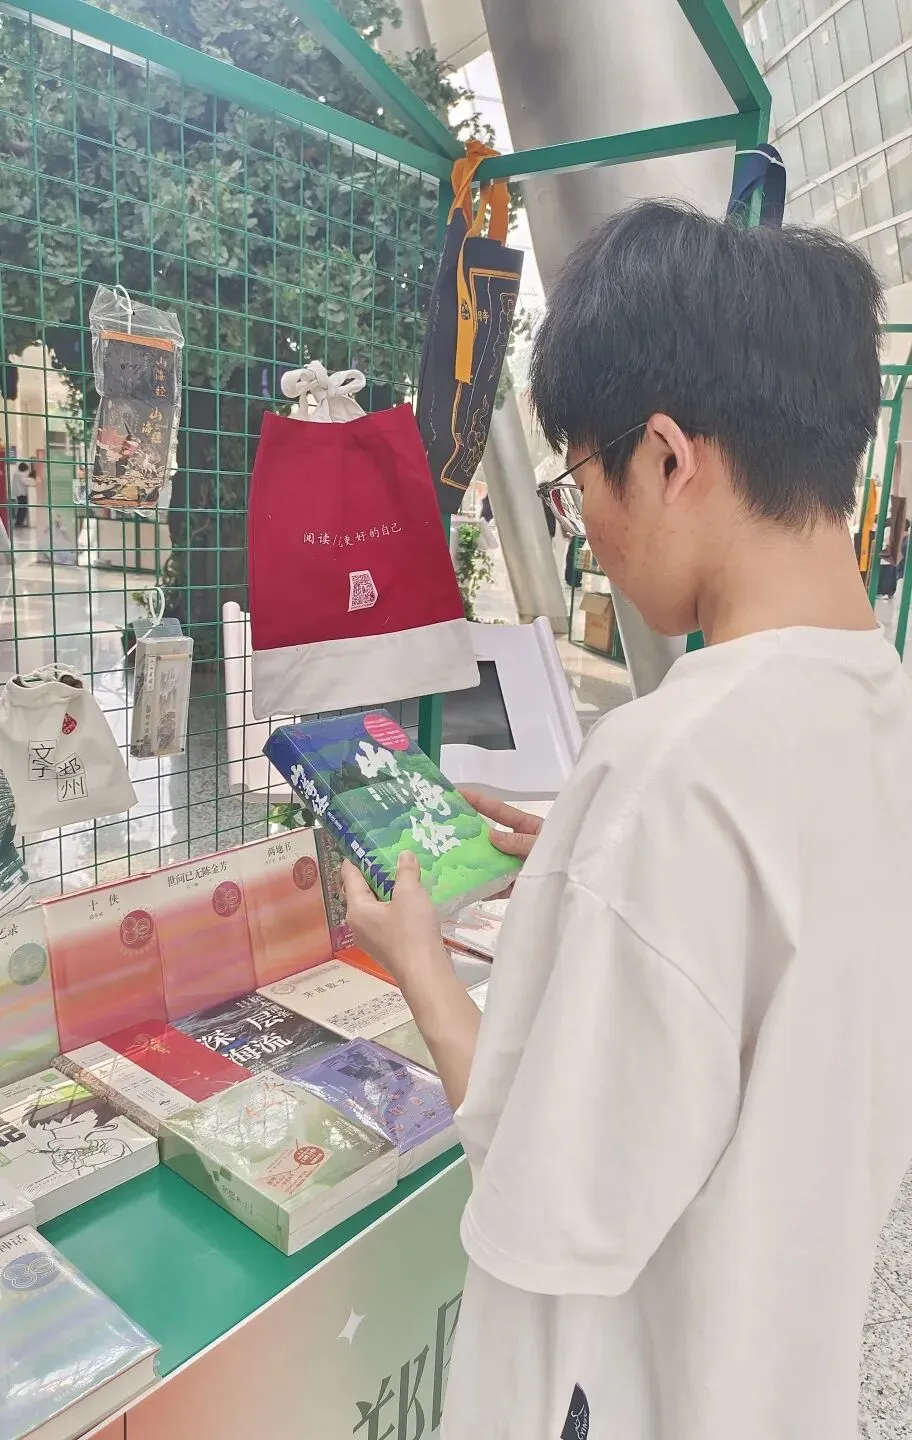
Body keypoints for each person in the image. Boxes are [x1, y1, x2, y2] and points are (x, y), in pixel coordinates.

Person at [343, 201, 912, 1440]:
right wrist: (589, 873)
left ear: (665, 459)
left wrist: (418, 959)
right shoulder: (882, 711)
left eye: (578, 479)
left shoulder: (673, 768)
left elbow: (543, 1186)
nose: (585, 522)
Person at [11, 461, 28, 529]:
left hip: (19, 493)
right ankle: (19, 523)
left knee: (21, 508)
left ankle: (19, 522)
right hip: (21, 493)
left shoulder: (17, 473)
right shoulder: (19, 474)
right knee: (22, 508)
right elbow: (24, 482)